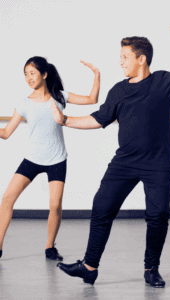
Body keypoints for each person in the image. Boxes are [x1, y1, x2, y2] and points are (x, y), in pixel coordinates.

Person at [52, 25, 170, 286]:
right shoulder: (118, 90)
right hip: (124, 163)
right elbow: (98, 119)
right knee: (101, 207)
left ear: (141, 58)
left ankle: (151, 269)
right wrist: (65, 119)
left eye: (125, 57)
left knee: (157, 217)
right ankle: (89, 267)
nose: (120, 62)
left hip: (158, 165)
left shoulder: (163, 82)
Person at [0, 56, 100, 261]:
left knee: (55, 205)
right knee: (7, 199)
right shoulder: (24, 103)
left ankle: (49, 247)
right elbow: (7, 132)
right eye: (26, 74)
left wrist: (97, 75)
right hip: (32, 159)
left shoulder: (59, 96)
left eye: (32, 73)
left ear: (44, 74)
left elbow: (92, 99)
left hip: (57, 159)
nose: (28, 78)